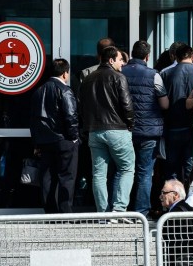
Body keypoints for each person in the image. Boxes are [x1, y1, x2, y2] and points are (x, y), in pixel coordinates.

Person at [79, 46, 135, 214]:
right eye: (120, 60)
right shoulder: (118, 77)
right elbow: (127, 104)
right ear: (111, 60)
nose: (123, 63)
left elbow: (80, 106)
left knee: (98, 174)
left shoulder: (87, 79)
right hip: (117, 129)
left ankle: (103, 213)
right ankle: (119, 209)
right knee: (126, 168)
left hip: (94, 131)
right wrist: (130, 123)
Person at [121, 40, 169, 217]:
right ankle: (141, 211)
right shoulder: (153, 75)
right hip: (149, 132)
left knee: (124, 170)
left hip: (125, 130)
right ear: (147, 56)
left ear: (132, 54)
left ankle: (121, 208)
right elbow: (164, 104)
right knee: (144, 172)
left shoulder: (120, 72)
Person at [30, 58, 79, 213]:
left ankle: (50, 212)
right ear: (65, 73)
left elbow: (33, 120)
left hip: (45, 141)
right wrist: (74, 137)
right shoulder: (65, 90)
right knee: (67, 176)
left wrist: (37, 143)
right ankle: (65, 212)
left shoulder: (38, 91)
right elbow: (71, 116)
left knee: (47, 177)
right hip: (63, 140)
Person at [161, 43, 193, 182]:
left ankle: (172, 199)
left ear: (175, 57)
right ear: (192, 56)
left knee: (171, 167)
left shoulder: (165, 73)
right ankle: (190, 199)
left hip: (172, 125)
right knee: (190, 165)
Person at [159, 179, 193, 264]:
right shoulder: (191, 209)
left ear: (175, 195)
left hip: (182, 260)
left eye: (164, 193)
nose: (161, 196)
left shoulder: (173, 215)